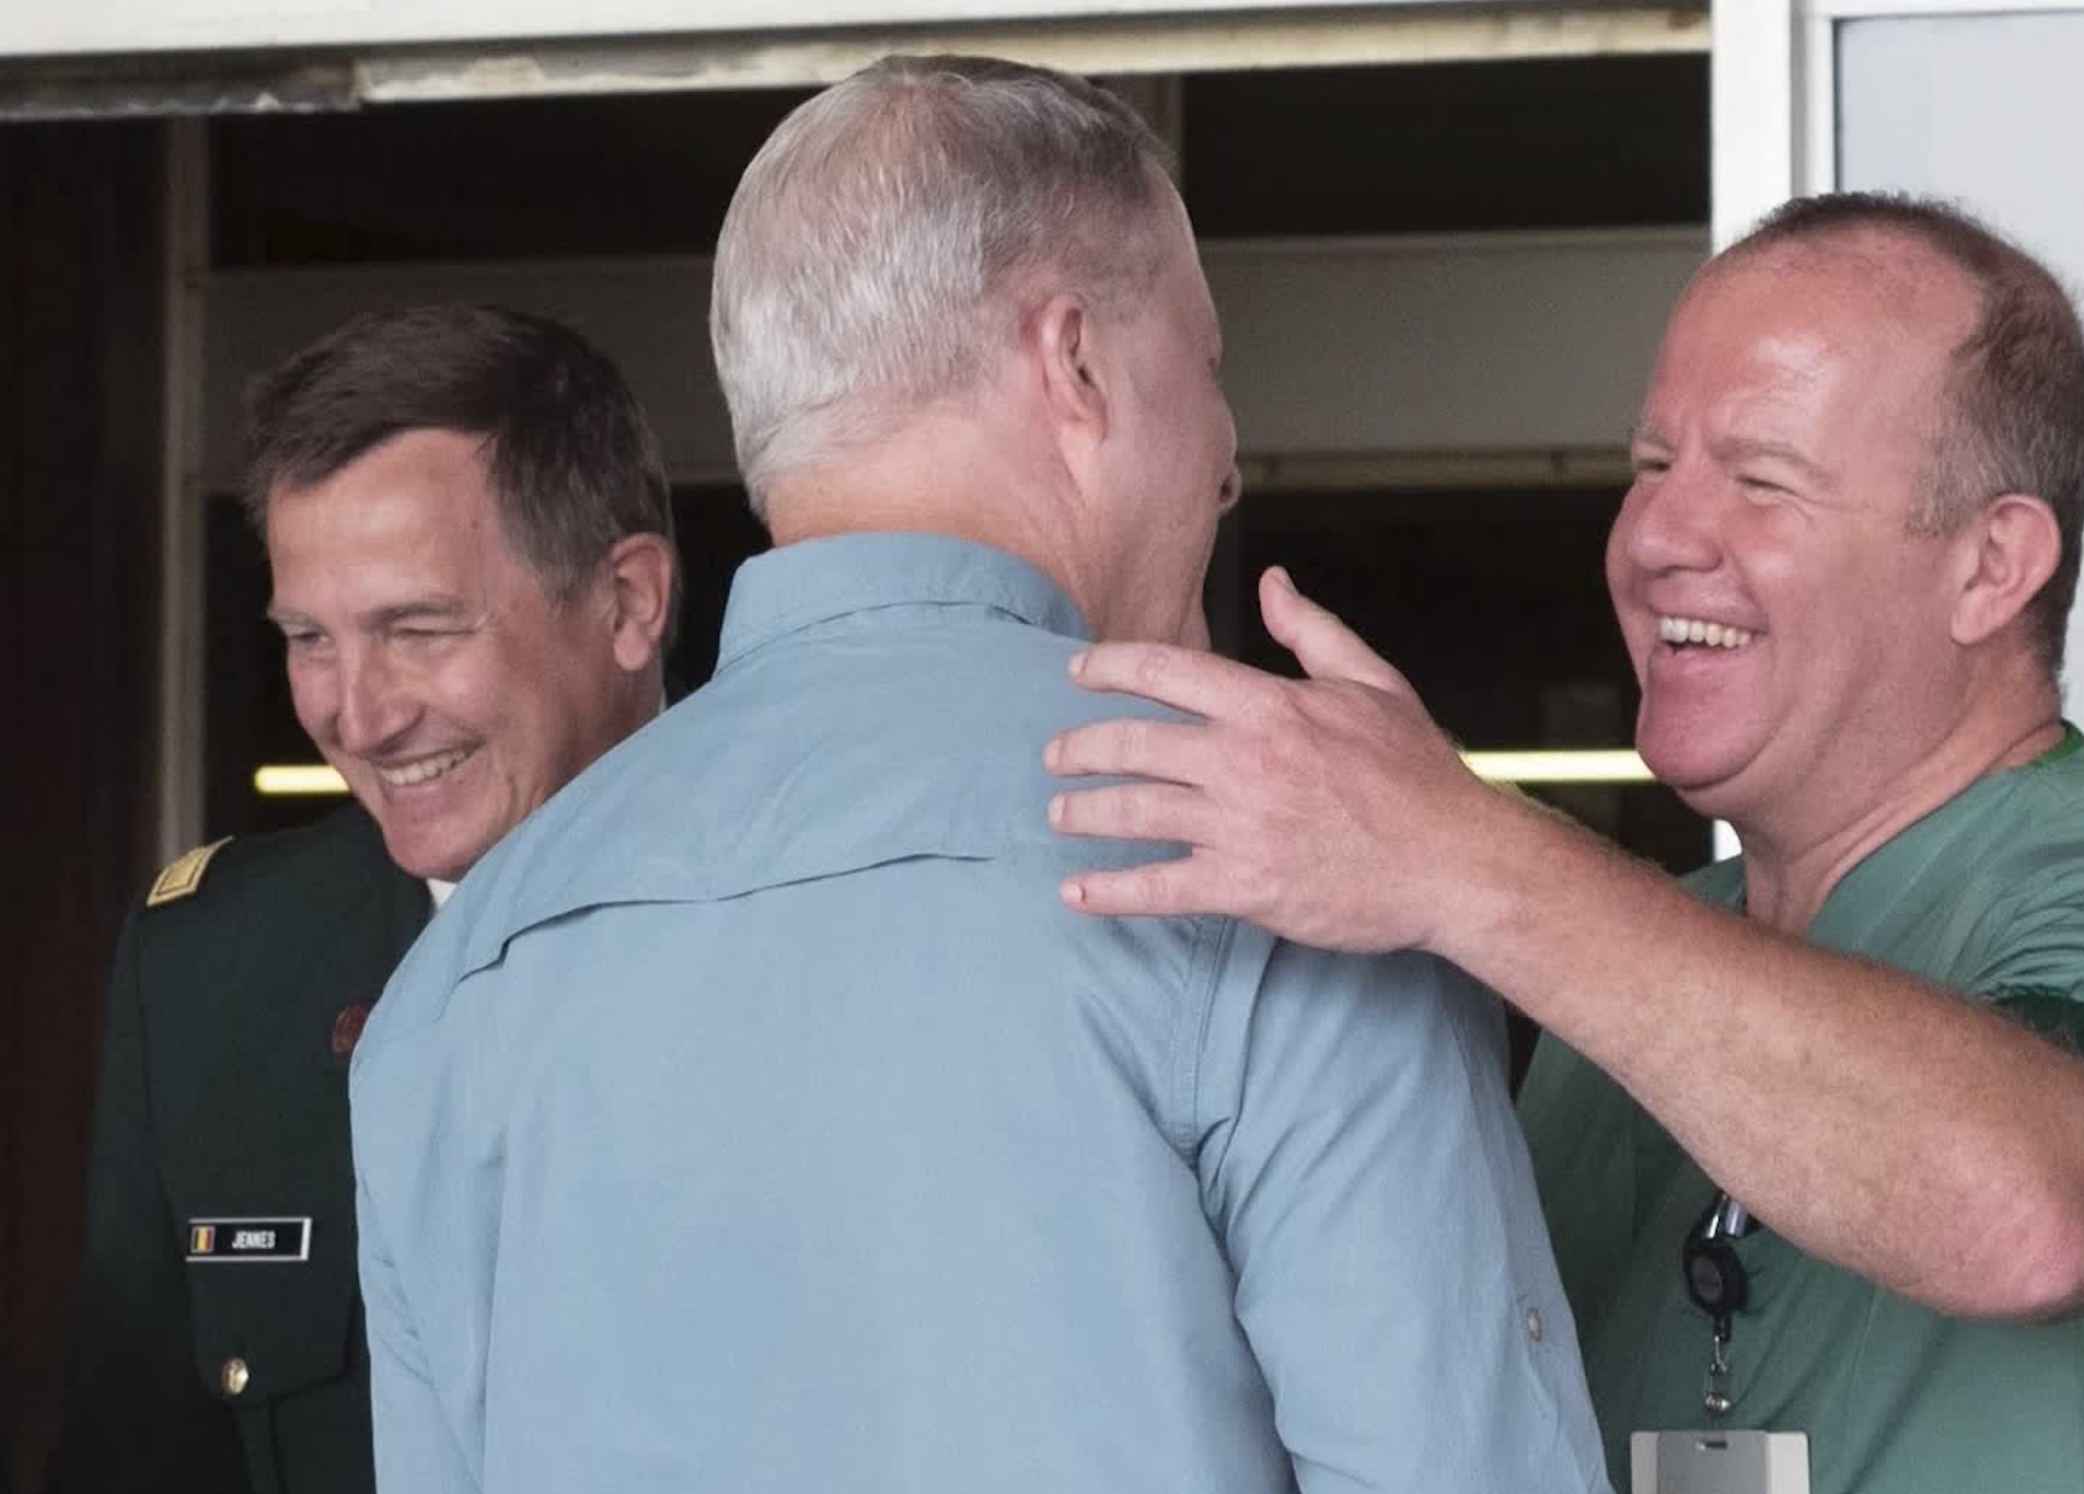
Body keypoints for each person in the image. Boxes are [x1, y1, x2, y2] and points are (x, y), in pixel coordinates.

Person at [349, 54, 1608, 1494]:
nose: (1225, 459)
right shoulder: (1285, 870)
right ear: (1074, 363)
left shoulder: (463, 984)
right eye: (1206, 368)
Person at [1045, 192, 2084, 1493]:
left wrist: (1459, 853)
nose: (1658, 537)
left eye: (1762, 479)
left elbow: (2029, 1219)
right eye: (1652, 464)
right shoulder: (1623, 986)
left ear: (1989, 564)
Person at [45, 303, 677, 1494]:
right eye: (309, 640)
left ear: (628, 603)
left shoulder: (830, 922)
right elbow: (140, 1451)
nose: (359, 713)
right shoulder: (215, 964)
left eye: (418, 629)